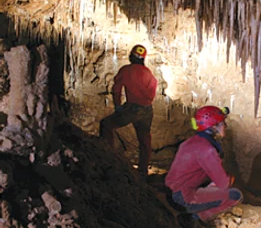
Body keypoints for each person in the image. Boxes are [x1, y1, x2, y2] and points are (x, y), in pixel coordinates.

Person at [164, 106, 243, 225]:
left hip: (171, 192)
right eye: (222, 123)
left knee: (212, 184)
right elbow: (223, 183)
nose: (225, 126)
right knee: (235, 195)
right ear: (213, 127)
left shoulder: (190, 142)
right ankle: (193, 218)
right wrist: (229, 179)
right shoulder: (207, 150)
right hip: (183, 198)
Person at [100, 44, 158, 178]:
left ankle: (109, 158)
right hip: (147, 109)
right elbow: (152, 91)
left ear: (131, 56)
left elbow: (117, 89)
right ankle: (143, 170)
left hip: (132, 107)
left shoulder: (127, 70)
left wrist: (118, 106)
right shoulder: (148, 73)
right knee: (144, 140)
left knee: (106, 125)